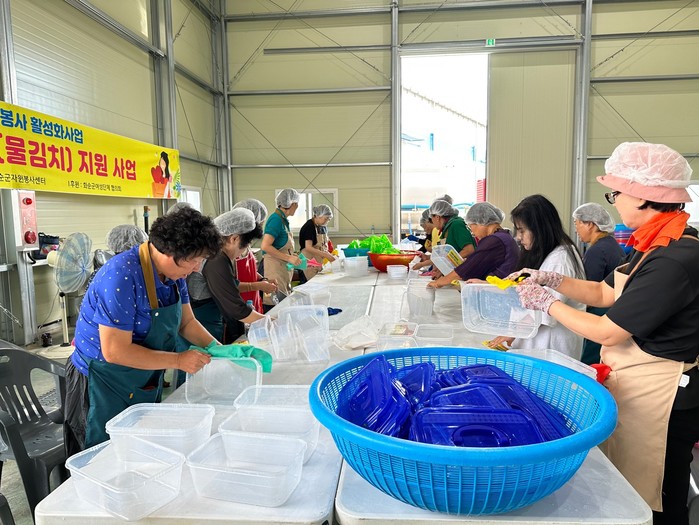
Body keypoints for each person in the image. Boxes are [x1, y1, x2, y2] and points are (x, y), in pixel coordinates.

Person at [510, 143, 699, 525]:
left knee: (659, 494)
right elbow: (604, 292)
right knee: (632, 485)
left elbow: (607, 331)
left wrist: (547, 304)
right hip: (639, 382)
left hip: (665, 395)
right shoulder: (653, 242)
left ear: (643, 196)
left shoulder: (675, 257)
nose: (613, 203)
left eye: (616, 193)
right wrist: (553, 280)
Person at [64, 206, 222, 453]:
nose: (196, 268)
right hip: (102, 382)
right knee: (103, 455)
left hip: (141, 375)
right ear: (171, 253)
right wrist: (178, 360)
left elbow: (187, 322)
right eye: (195, 260)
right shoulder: (121, 276)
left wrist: (220, 350)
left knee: (139, 447)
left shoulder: (174, 276)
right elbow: (115, 351)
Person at [487, 194, 585, 358]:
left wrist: (514, 331)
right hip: (535, 342)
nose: (518, 237)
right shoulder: (543, 252)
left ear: (540, 229)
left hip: (551, 347)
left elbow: (547, 310)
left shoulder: (560, 260)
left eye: (522, 230)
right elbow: (524, 287)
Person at [186, 208, 271, 344]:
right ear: (234, 238)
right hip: (201, 321)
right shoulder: (216, 258)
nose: (242, 252)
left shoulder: (217, 253)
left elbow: (229, 285)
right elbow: (236, 309)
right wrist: (270, 322)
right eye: (245, 246)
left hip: (209, 315)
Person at [572, 202, 625, 365]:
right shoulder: (611, 245)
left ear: (590, 224)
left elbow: (590, 290)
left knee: (590, 363)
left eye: (577, 223)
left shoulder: (597, 251)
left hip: (601, 314)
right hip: (614, 314)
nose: (576, 229)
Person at [428, 202, 518, 288]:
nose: (473, 233)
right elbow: (477, 264)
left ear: (481, 222)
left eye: (471, 227)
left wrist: (438, 282)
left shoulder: (494, 241)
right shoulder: (503, 237)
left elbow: (466, 270)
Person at [232, 198, 276, 313]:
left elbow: (250, 270)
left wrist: (263, 279)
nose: (262, 226)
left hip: (253, 301)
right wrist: (258, 285)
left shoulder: (246, 244)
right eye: (260, 223)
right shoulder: (232, 249)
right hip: (239, 305)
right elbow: (230, 285)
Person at [414, 199, 477, 274]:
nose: (432, 222)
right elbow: (445, 256)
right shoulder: (447, 229)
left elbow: (469, 250)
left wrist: (448, 263)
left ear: (437, 217)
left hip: (467, 271)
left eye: (432, 219)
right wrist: (427, 258)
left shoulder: (456, 225)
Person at [261, 188, 302, 304]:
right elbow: (265, 246)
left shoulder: (283, 220)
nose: (297, 207)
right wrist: (289, 258)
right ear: (292, 204)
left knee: (283, 302)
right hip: (274, 269)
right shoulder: (276, 220)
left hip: (281, 268)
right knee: (274, 304)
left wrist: (292, 255)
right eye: (297, 204)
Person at [299, 204, 336, 280]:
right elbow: (308, 247)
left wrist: (330, 254)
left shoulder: (322, 226)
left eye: (328, 219)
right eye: (325, 219)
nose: (327, 221)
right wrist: (325, 255)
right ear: (318, 216)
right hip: (308, 260)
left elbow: (324, 244)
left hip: (318, 261)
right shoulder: (309, 226)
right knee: (312, 284)